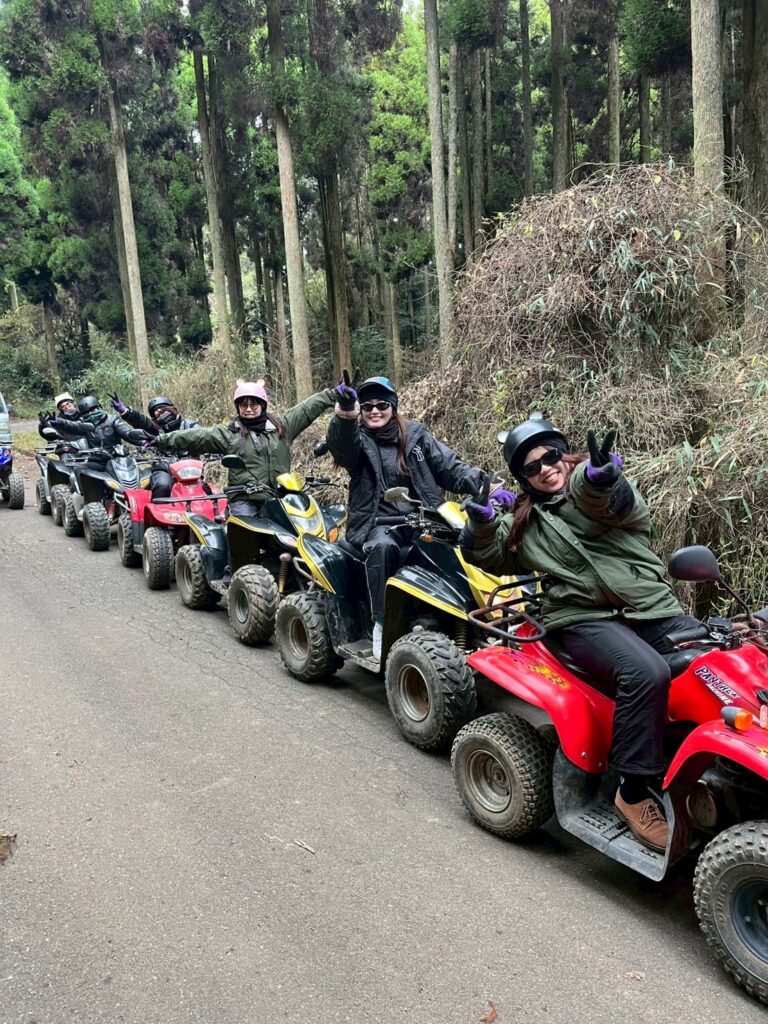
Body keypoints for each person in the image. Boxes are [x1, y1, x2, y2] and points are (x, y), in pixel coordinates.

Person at [460, 416, 701, 853]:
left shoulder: (589, 488)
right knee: (646, 672)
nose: (545, 469)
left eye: (550, 456)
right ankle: (632, 792)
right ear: (523, 479)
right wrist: (481, 523)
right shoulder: (525, 521)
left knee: (717, 661)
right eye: (531, 467)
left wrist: (600, 477)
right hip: (580, 618)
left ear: (563, 453)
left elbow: (604, 500)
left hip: (649, 607)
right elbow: (490, 556)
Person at [326, 376, 499, 662]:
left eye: (382, 404)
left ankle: (483, 616)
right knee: (383, 549)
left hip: (426, 518)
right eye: (367, 406)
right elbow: (341, 447)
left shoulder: (416, 437)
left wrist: (484, 486)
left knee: (464, 543)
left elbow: (450, 467)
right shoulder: (358, 441)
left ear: (393, 406)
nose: (375, 410)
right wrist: (346, 415)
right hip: (377, 523)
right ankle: (381, 623)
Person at [149, 378, 340, 516]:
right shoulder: (229, 433)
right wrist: (161, 440)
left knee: (305, 525)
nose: (248, 409)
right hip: (245, 499)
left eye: (253, 404)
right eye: (243, 405)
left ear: (262, 405)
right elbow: (197, 436)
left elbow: (306, 409)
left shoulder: (281, 427)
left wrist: (333, 394)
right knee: (242, 533)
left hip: (281, 496)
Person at [108, 393, 199, 499]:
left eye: (163, 409)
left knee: (206, 489)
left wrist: (212, 451)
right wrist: (125, 411)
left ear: (172, 408)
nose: (160, 413)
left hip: (190, 468)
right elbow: (142, 422)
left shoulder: (191, 426)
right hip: (165, 468)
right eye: (157, 412)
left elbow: (204, 438)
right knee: (163, 485)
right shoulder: (156, 429)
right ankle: (156, 509)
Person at [48, 396, 147, 461]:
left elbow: (127, 434)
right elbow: (72, 426)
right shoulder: (85, 424)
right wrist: (58, 422)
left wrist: (144, 442)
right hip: (97, 460)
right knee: (80, 471)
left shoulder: (112, 420)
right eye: (88, 412)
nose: (92, 413)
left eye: (94, 409)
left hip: (117, 458)